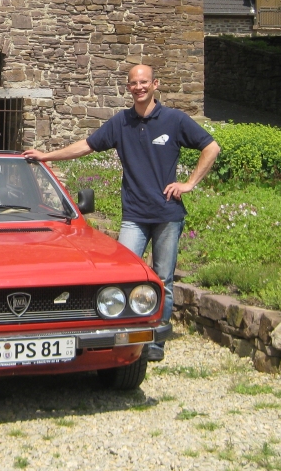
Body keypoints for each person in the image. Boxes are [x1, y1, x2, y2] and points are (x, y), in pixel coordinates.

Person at [23, 64, 220, 362]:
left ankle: (155, 340)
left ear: (155, 84)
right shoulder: (121, 123)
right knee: (122, 275)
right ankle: (120, 333)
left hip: (168, 214)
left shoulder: (174, 120)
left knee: (163, 278)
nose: (139, 87)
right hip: (134, 215)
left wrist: (190, 183)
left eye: (144, 82)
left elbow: (211, 147)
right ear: (127, 87)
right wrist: (46, 156)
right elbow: (86, 146)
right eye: (133, 83)